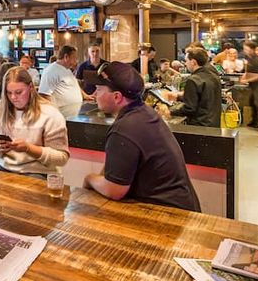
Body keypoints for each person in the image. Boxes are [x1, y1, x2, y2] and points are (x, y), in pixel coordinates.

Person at [83, 62, 201, 211]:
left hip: (169, 215)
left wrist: (89, 179)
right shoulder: (144, 112)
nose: (94, 94)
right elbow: (116, 170)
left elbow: (115, 190)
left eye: (99, 89)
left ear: (117, 97)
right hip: (183, 207)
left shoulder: (124, 129)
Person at [0, 67, 69, 176]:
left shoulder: (50, 113)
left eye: (19, 92)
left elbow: (62, 158)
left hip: (37, 171)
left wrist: (28, 148)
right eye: (9, 93)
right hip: (2, 166)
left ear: (31, 88)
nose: (13, 97)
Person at [166, 46, 222, 127]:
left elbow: (189, 109)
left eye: (186, 61)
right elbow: (203, 97)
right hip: (214, 123)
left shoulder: (193, 80)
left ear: (193, 62)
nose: (185, 64)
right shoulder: (213, 74)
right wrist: (178, 97)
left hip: (199, 125)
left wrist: (170, 112)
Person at [39, 45, 92, 118]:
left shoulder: (67, 69)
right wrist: (54, 113)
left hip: (73, 113)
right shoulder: (51, 71)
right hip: (61, 115)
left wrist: (85, 95)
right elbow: (44, 95)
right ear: (66, 57)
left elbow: (74, 85)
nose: (76, 61)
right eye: (74, 58)